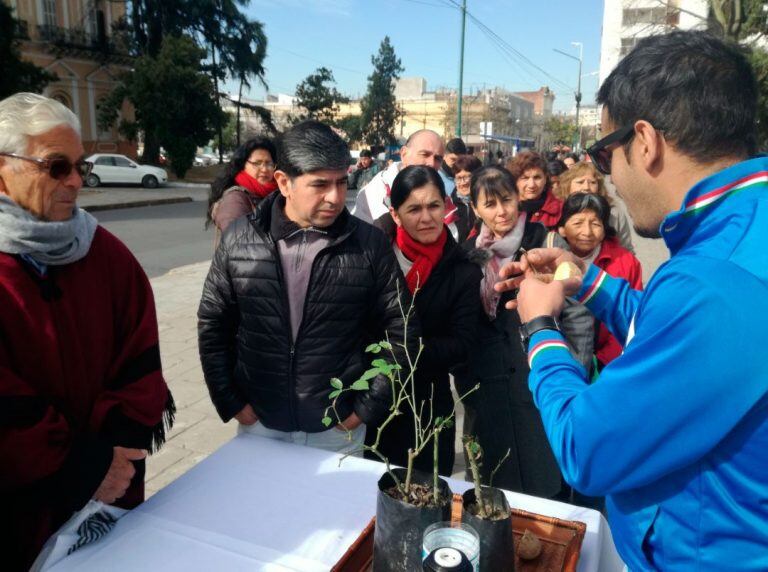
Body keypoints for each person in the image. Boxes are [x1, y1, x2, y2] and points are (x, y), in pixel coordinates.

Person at [498, 31, 768, 570]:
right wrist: (587, 281)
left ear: (644, 142)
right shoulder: (741, 238)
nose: (607, 176)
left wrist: (539, 328)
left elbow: (588, 448)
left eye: (604, 153)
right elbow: (678, 340)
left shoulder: (713, 281)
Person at [0, 93, 174, 570]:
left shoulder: (104, 253)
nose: (76, 181)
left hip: (111, 487)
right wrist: (81, 467)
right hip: (23, 502)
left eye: (80, 165)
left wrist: (115, 456)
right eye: (57, 167)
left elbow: (140, 356)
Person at [198, 120, 415, 455]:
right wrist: (230, 399)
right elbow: (214, 323)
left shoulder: (370, 245)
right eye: (320, 184)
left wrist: (365, 408)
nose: (335, 197)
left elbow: (401, 329)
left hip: (338, 428)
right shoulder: (241, 238)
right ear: (284, 182)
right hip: (260, 425)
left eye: (342, 182)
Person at [455, 165, 593, 498]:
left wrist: (572, 369)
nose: (500, 211)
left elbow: (578, 314)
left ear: (518, 198)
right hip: (489, 387)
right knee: (495, 485)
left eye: (506, 200)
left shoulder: (545, 240)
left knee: (546, 478)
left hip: (540, 375)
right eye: (489, 204)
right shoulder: (469, 253)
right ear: (475, 208)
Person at [366, 165, 482, 476]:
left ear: (446, 206)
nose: (426, 217)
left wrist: (403, 350)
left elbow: (462, 344)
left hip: (428, 407)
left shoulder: (463, 270)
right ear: (395, 214)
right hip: (371, 401)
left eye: (434, 206)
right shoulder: (372, 255)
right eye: (413, 209)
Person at [556, 192, 643, 368]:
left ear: (604, 230)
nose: (587, 232)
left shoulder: (626, 262)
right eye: (578, 223)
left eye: (595, 224)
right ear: (562, 229)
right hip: (565, 357)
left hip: (611, 362)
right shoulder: (550, 261)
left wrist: (604, 361)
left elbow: (634, 317)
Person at [352, 129, 445, 223]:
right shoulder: (377, 191)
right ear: (404, 154)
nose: (432, 163)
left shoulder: (443, 189)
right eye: (425, 154)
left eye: (438, 158)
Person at [555, 161, 635, 252]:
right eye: (580, 182)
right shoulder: (557, 211)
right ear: (568, 186)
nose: (586, 187)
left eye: (592, 182)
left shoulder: (614, 213)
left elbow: (626, 248)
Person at [207, 137, 278, 240]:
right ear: (243, 164)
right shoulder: (235, 199)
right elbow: (237, 242)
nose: (264, 169)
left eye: (269, 163)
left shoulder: (278, 193)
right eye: (257, 163)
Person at [506, 151, 563, 228]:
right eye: (525, 178)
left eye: (537, 178)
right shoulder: (504, 209)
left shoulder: (561, 210)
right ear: (515, 180)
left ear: (545, 179)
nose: (531, 185)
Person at [451, 154, 483, 242]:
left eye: (467, 177)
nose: (463, 183)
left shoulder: (486, 203)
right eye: (459, 178)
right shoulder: (449, 207)